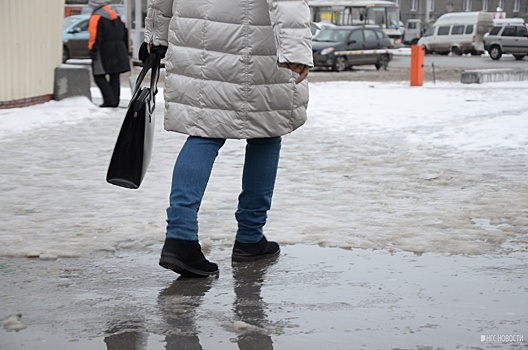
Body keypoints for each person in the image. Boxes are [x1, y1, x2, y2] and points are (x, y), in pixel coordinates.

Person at [143, 0, 313, 278]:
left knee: (203, 131)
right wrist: (295, 49)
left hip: (195, 42)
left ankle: (180, 237)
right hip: (256, 47)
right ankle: (249, 237)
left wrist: (156, 35)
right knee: (266, 131)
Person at [88, 0, 130, 107]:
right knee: (115, 76)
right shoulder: (116, 16)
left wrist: (92, 50)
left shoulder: (96, 17)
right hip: (118, 50)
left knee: (98, 75)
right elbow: (125, 34)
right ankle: (115, 101)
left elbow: (94, 36)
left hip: (103, 51)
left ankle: (109, 100)